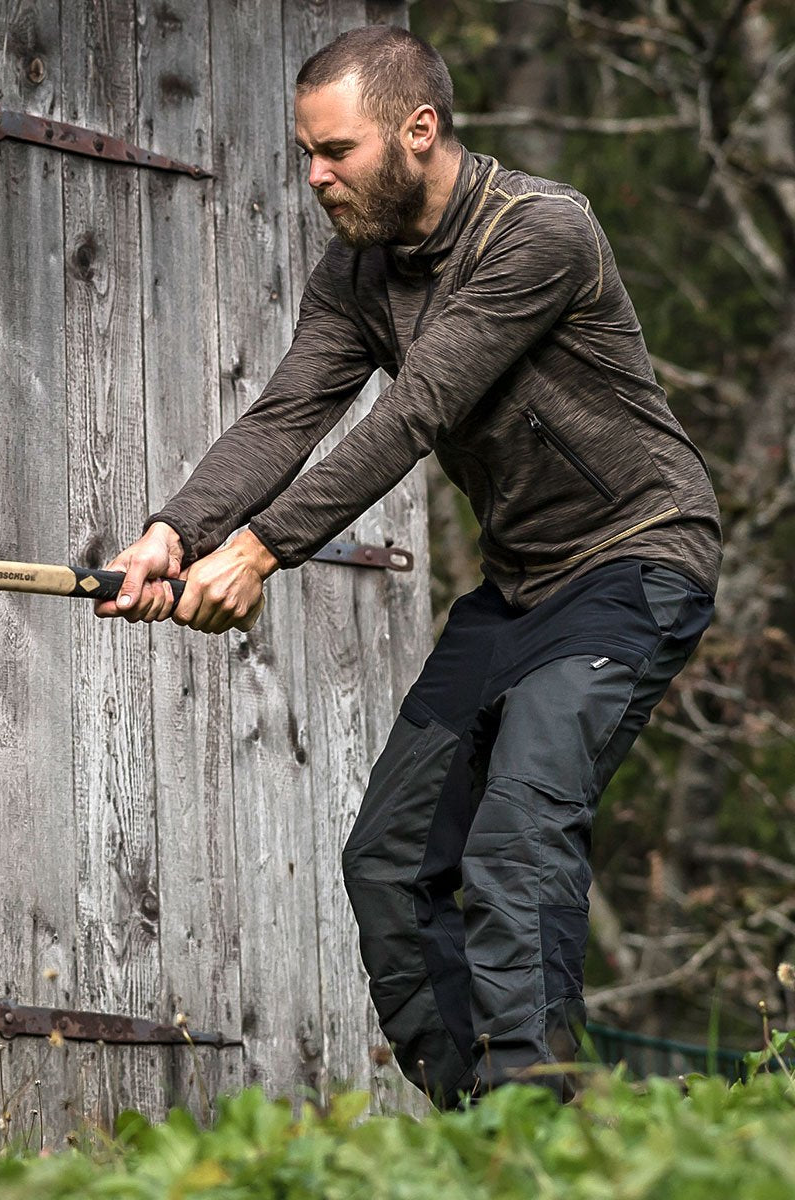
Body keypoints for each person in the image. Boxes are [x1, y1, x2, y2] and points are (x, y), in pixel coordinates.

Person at [94, 25, 720, 1106]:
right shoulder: (360, 274)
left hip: (635, 563)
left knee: (518, 842)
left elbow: (419, 410)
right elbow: (288, 416)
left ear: (418, 130)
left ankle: (543, 1128)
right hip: (522, 588)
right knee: (387, 863)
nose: (315, 177)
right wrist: (176, 530)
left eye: (335, 151)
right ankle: (482, 1125)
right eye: (306, 155)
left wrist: (261, 549)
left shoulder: (540, 232)